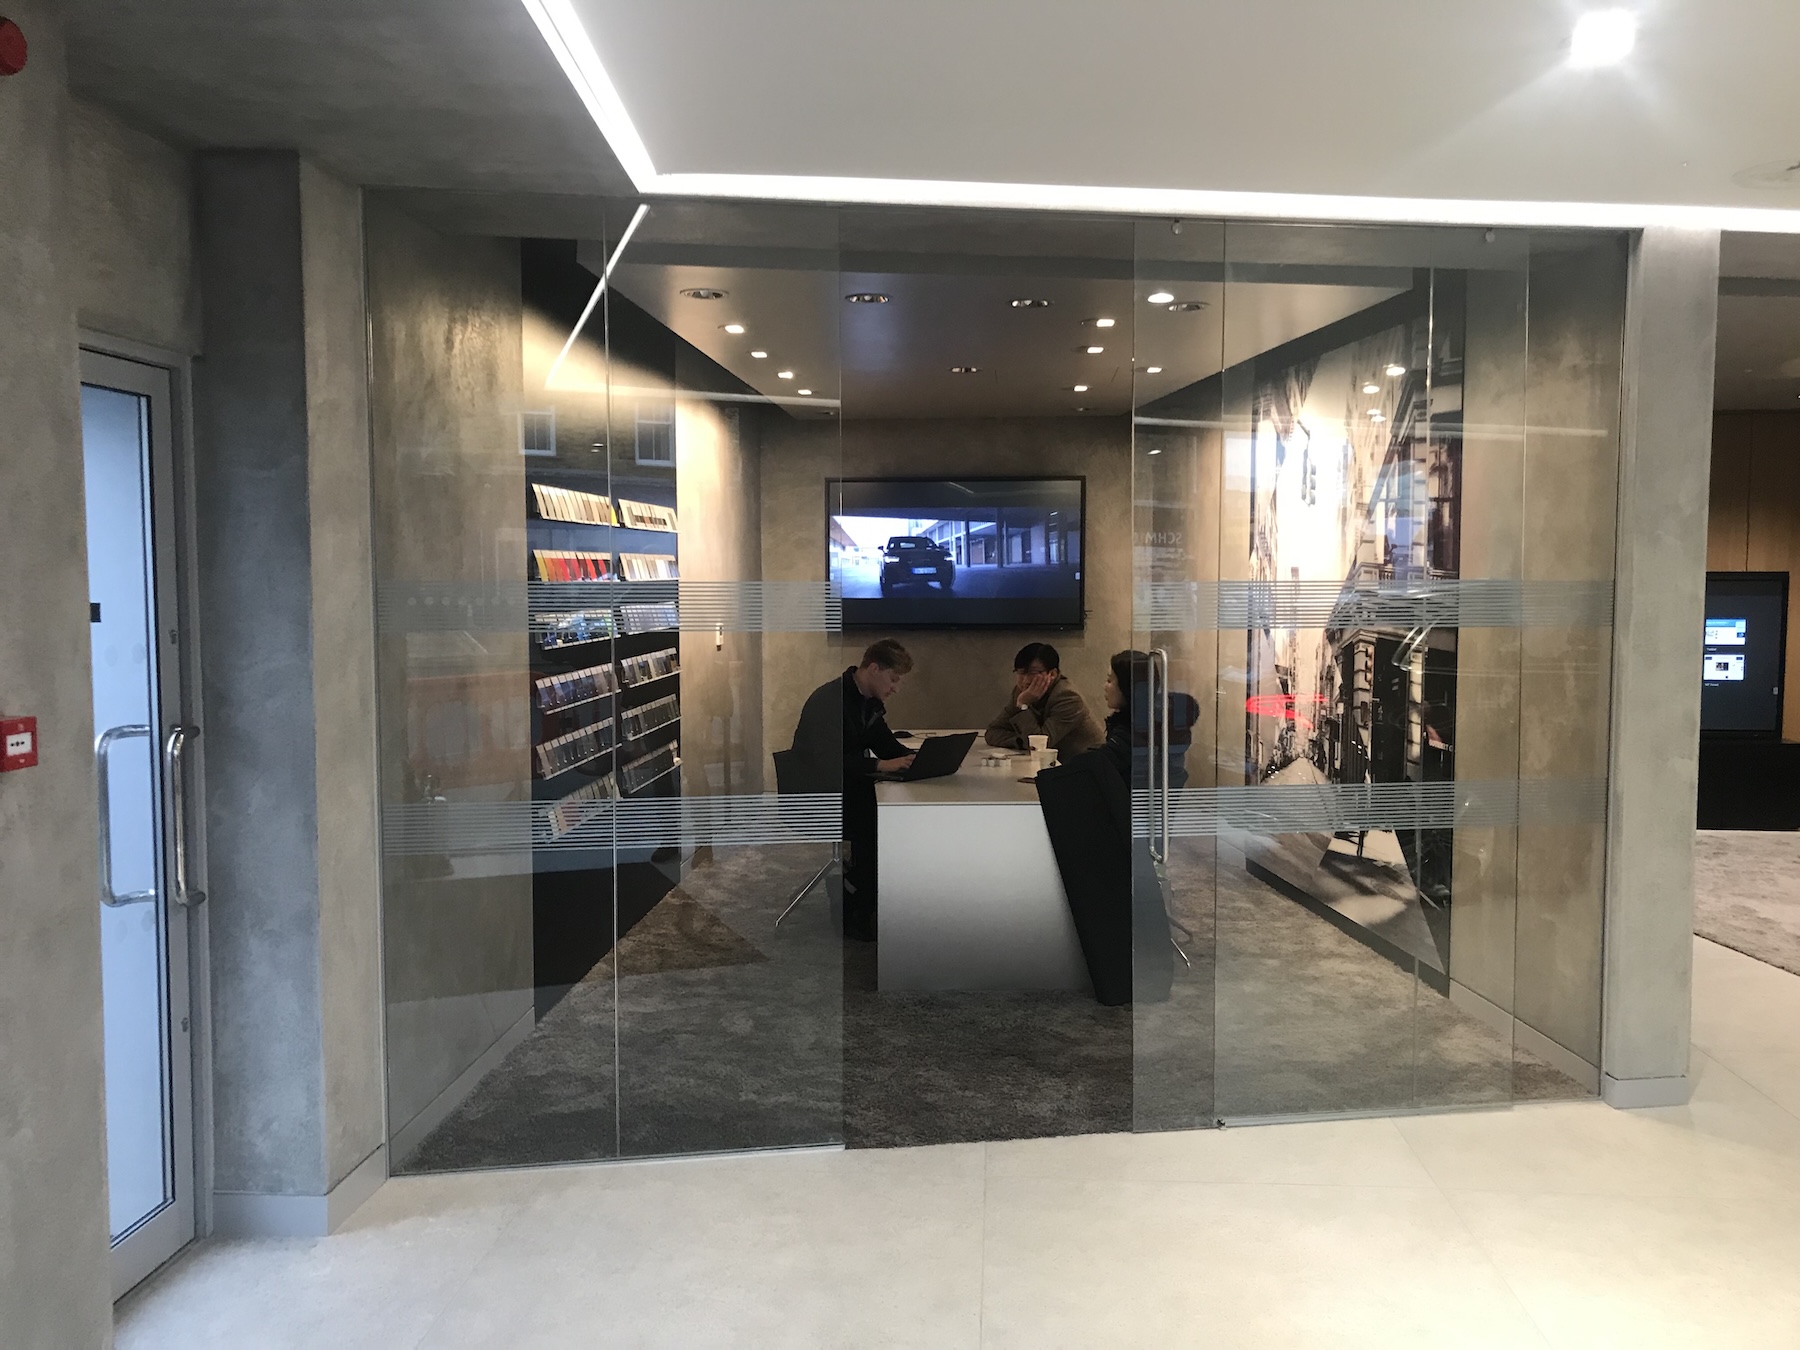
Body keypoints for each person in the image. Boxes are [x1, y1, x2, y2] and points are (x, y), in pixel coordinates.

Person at [790, 638, 915, 941]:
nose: (896, 688)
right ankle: (856, 899)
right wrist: (881, 765)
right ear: (874, 669)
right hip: (817, 796)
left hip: (846, 788)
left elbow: (885, 745)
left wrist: (915, 760)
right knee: (881, 825)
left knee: (886, 818)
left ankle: (860, 895)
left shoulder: (866, 702)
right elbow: (825, 762)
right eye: (893, 679)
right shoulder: (830, 701)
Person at [983, 641, 1104, 758]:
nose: (1025, 681)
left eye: (1032, 673)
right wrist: (1021, 742)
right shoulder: (1021, 692)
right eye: (1021, 673)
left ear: (1052, 674)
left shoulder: (1068, 697)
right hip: (1052, 764)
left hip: (1086, 765)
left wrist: (1023, 705)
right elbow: (993, 732)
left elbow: (1040, 746)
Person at [1099, 648, 1192, 790]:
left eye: (1109, 680)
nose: (1105, 686)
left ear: (1126, 686)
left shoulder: (1133, 734)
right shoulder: (1152, 723)